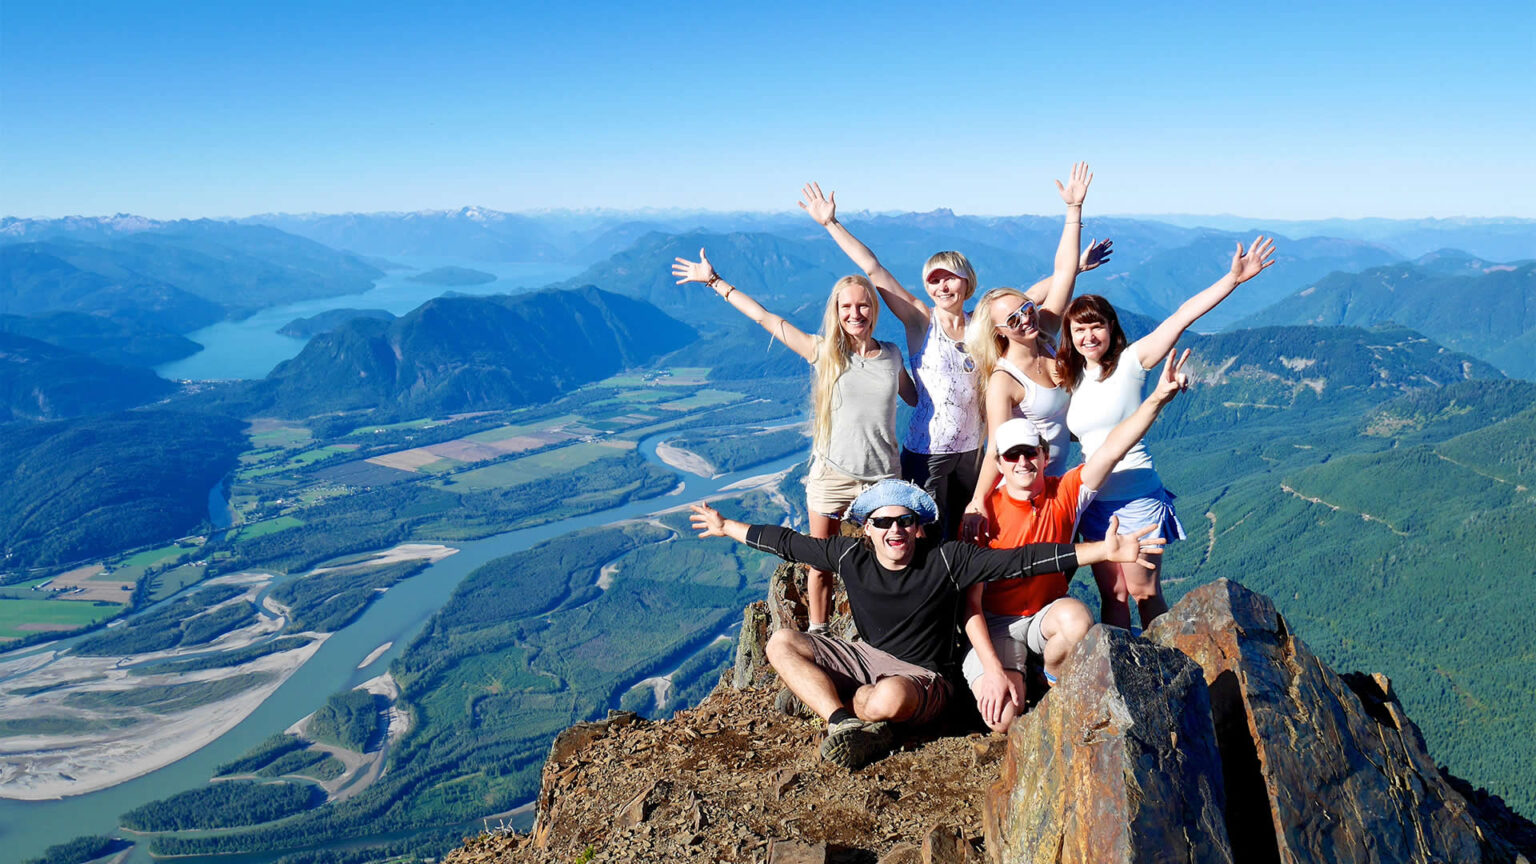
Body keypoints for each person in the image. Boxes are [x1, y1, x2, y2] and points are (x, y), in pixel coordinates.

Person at [688, 479, 1165, 769]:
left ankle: (858, 707)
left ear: (918, 526)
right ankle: (842, 724)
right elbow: (789, 543)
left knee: (891, 696)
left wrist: (1105, 551)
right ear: (867, 528)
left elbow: (1022, 561)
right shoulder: (849, 554)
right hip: (866, 657)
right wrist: (727, 526)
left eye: (904, 521)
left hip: (925, 676)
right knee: (781, 643)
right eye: (882, 522)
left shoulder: (948, 559)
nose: (894, 530)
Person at [798, 164, 1109, 539]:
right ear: (927, 287)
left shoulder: (985, 324)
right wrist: (831, 224)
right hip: (925, 453)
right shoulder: (919, 321)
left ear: (967, 282)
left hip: (975, 452)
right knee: (926, 538)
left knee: (968, 535)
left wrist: (1074, 268)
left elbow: (1028, 300)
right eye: (934, 279)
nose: (943, 285)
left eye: (950, 277)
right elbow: (873, 269)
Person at [671, 251, 916, 634]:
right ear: (836, 312)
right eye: (846, 306)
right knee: (819, 562)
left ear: (874, 310)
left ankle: (888, 631)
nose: (855, 313)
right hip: (832, 476)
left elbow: (916, 397)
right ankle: (819, 634)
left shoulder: (892, 355)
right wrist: (714, 282)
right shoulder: (823, 352)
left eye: (863, 305)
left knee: (890, 560)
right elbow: (766, 318)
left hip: (882, 479)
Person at [964, 348, 1191, 733]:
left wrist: (1157, 398)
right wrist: (990, 669)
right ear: (999, 463)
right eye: (1012, 455)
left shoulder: (1065, 491)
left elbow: (1113, 447)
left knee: (1077, 620)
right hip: (998, 623)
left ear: (1043, 454)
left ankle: (1050, 677)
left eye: (1030, 453)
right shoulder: (981, 517)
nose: (1023, 463)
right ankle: (1017, 673)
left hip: (1044, 615)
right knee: (1002, 721)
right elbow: (969, 606)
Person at [1061, 236, 1277, 629]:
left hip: (1136, 496)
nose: (1088, 336)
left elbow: (1180, 317)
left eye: (1096, 326)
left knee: (1143, 592)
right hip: (1093, 501)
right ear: (1070, 335)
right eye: (1079, 329)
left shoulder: (1131, 362)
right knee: (1113, 596)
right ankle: (1121, 674)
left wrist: (1233, 280)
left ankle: (1161, 668)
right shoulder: (1073, 378)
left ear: (1112, 328)